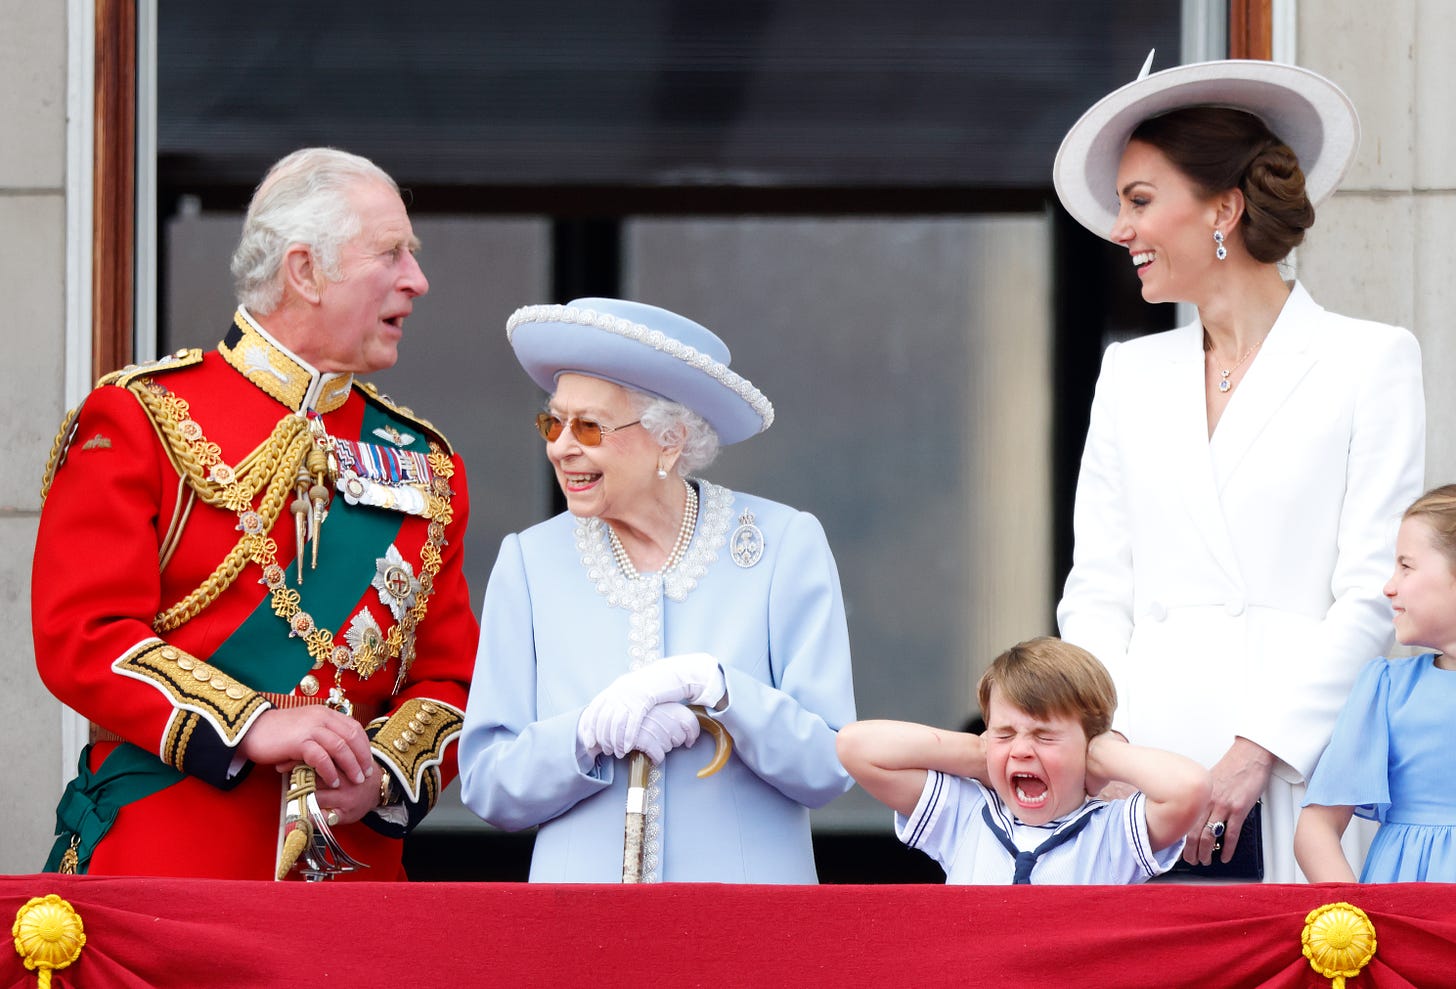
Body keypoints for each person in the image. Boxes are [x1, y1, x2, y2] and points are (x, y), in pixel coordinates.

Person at [33, 147, 478, 880]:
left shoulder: (428, 462)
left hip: (354, 885)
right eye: (392, 253)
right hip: (170, 870)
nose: (417, 280)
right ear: (305, 271)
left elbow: (453, 678)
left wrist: (384, 775)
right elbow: (83, 635)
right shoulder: (143, 416)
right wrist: (255, 725)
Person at [1052, 56, 1426, 882]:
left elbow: (1372, 589)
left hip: (1298, 770)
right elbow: (1098, 589)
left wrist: (1260, 749)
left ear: (1224, 206)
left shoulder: (1370, 360)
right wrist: (1108, 747)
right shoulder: (1130, 374)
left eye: (1140, 201)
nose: (1122, 230)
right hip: (1141, 782)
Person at [457, 297, 857, 882]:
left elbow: (827, 768)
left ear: (668, 440)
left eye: (588, 426)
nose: (561, 446)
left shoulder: (783, 545)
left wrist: (721, 691)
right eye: (553, 422)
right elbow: (489, 786)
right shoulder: (530, 561)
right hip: (579, 930)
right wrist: (585, 734)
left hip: (747, 931)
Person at [836, 637, 1210, 884]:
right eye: (1004, 733)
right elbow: (855, 746)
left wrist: (1100, 754)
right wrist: (979, 755)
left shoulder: (1110, 834)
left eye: (1044, 736)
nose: (1022, 750)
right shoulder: (965, 816)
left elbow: (1189, 788)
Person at [1296, 485, 1456, 882]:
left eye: (1406, 566)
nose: (1389, 586)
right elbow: (1316, 829)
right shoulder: (1386, 689)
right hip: (1400, 917)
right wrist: (1355, 924)